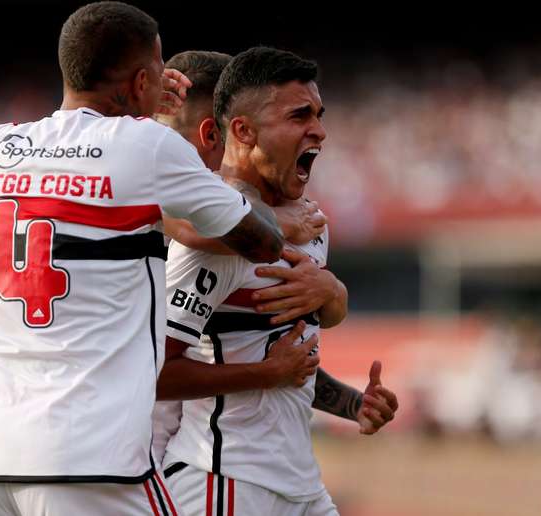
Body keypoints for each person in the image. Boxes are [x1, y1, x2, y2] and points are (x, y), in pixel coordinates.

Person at [0, 3, 284, 515]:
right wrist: (152, 124)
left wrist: (138, 112)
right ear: (143, 78)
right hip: (88, 456)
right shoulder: (146, 145)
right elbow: (263, 241)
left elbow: (75, 174)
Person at [157, 47, 398, 516]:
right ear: (241, 131)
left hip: (300, 485)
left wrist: (352, 404)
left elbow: (278, 349)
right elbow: (152, 372)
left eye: (319, 114)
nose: (320, 130)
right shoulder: (218, 234)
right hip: (223, 481)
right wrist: (265, 374)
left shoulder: (308, 223)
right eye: (299, 115)